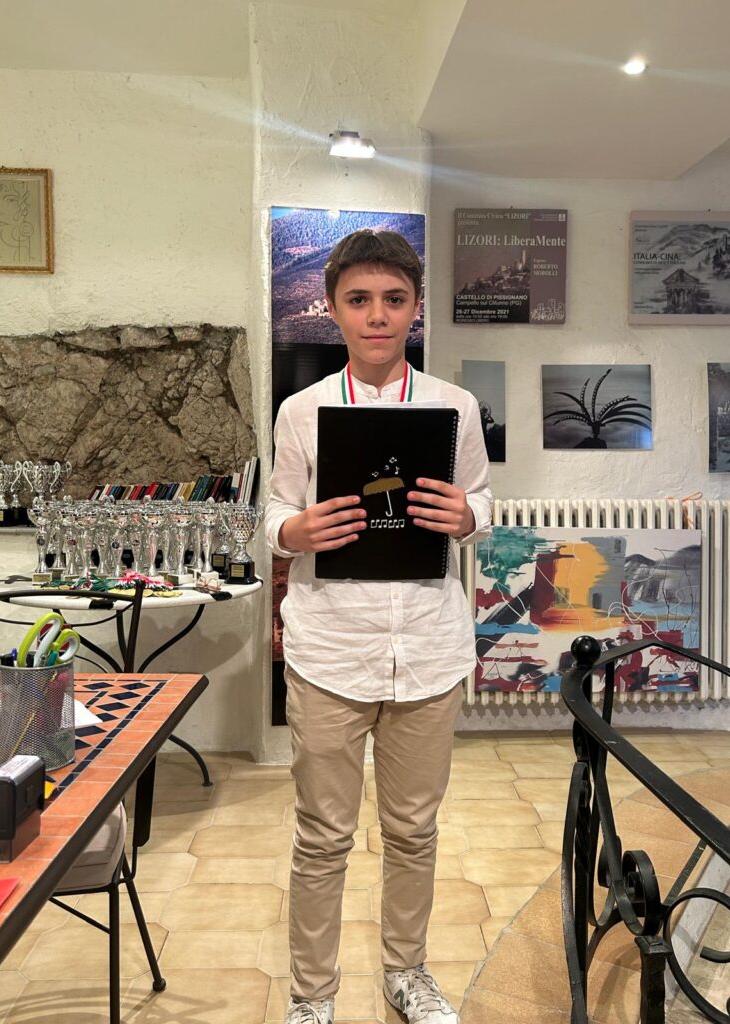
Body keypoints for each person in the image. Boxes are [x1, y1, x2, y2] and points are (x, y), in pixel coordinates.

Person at [265, 229, 492, 1024]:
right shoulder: (302, 412)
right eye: (359, 300)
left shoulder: (455, 407)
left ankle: (407, 972)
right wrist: (293, 532)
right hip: (331, 647)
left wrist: (469, 515)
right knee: (322, 835)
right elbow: (273, 511)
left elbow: (480, 498)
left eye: (394, 300)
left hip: (428, 648)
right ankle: (312, 995)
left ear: (415, 308)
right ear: (332, 309)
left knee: (414, 830)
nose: (377, 315)